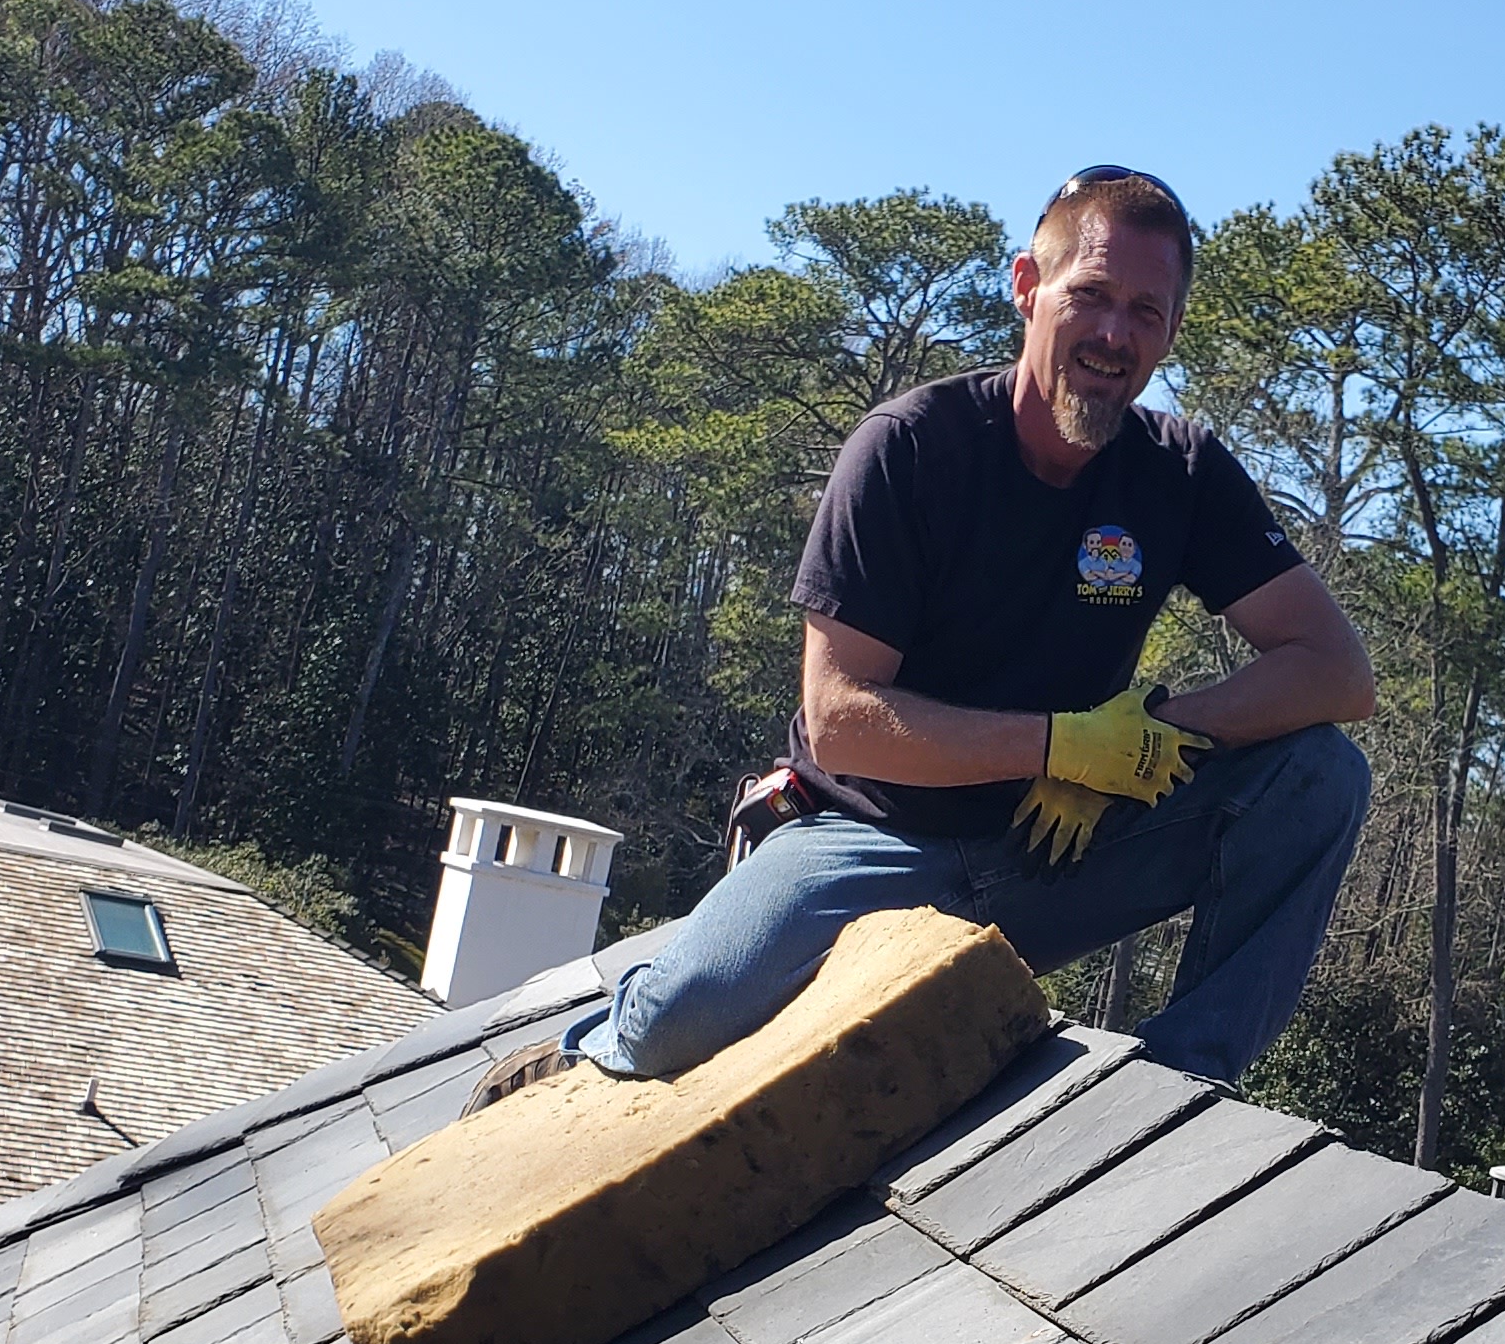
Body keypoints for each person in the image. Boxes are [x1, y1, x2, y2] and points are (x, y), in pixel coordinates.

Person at [486, 167, 1375, 1109]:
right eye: (1092, 296)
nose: (1116, 334)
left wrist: (1150, 735)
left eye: (1147, 312)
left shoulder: (1181, 471)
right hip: (874, 836)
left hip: (1056, 851)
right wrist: (1056, 742)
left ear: (1170, 333)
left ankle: (1176, 1088)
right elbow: (839, 720)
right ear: (1028, 286)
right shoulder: (911, 448)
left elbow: (1336, 671)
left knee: (1322, 776)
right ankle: (589, 1045)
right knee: (683, 1021)